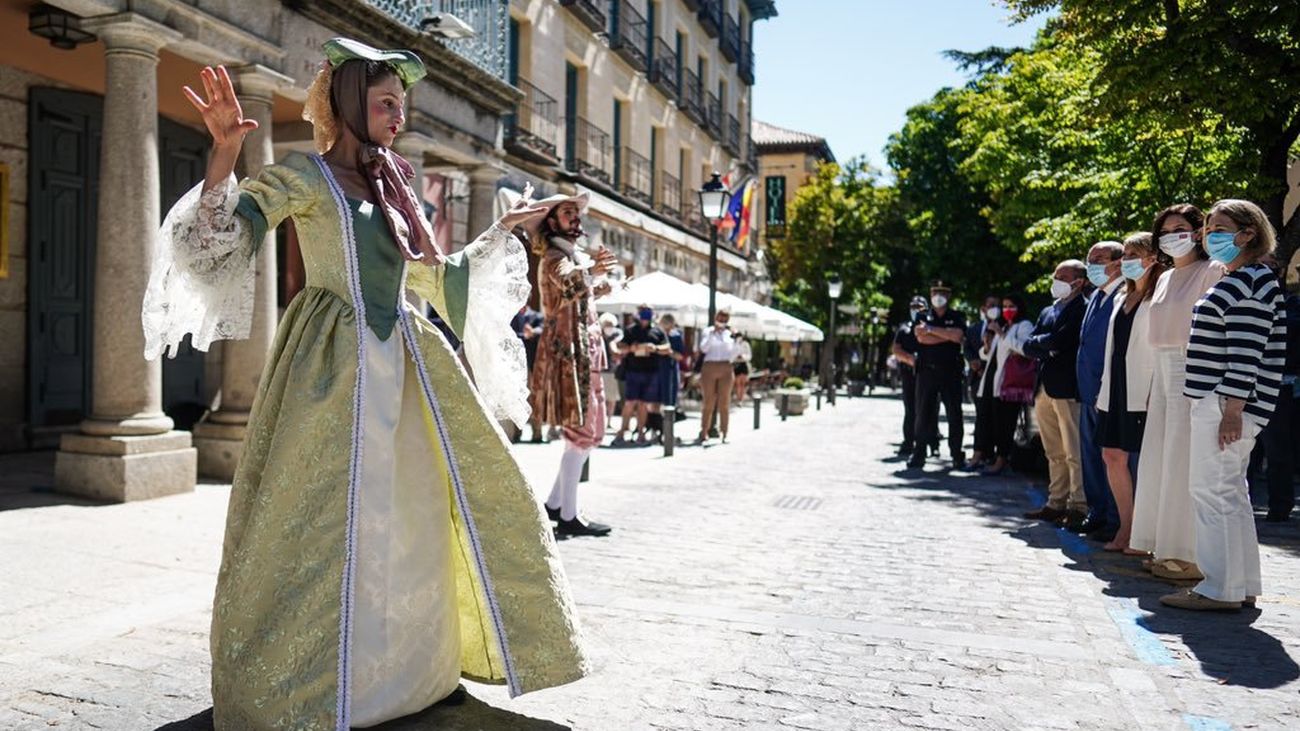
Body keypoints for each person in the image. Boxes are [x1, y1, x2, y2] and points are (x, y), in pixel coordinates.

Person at [146, 45, 586, 729]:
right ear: (351, 103)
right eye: (386, 102)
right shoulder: (304, 175)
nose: (398, 115)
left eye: (401, 104)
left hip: (407, 370)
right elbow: (218, 245)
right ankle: (320, 684)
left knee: (409, 521)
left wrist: (506, 230)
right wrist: (226, 154)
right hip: (328, 371)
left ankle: (405, 678)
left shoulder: (399, 183)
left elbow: (435, 279)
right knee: (320, 524)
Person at [1163, 199, 1286, 612]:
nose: (1208, 235)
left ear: (1247, 233)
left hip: (1223, 403)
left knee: (1211, 491)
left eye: (1218, 227)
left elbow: (1246, 352)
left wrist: (1233, 409)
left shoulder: (1247, 282)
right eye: (1208, 228)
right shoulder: (1250, 278)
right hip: (1225, 401)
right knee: (1231, 492)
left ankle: (1218, 586)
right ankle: (1240, 583)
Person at [1129, 205, 1225, 580]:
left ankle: (1191, 555)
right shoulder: (1165, 277)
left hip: (1195, 368)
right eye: (1166, 230)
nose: (1173, 235)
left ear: (1197, 232)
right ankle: (1165, 545)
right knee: (1160, 460)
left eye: (1181, 228)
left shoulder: (1212, 271)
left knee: (1185, 462)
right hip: (1164, 369)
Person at [528, 192, 619, 537]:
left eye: (576, 213)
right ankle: (567, 513)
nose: (576, 218)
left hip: (582, 354)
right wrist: (591, 272)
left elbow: (572, 292)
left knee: (583, 432)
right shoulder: (555, 256)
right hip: (571, 355)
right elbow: (566, 280)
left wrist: (597, 286)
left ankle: (556, 504)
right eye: (568, 213)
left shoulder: (566, 254)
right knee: (584, 431)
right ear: (551, 221)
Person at [1097, 233, 1163, 553]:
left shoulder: (1161, 294)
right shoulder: (1121, 296)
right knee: (1111, 455)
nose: (1127, 261)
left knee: (1148, 461)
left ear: (1153, 258)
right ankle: (1127, 525)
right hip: (1116, 385)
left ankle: (1146, 534)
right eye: (1124, 254)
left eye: (1134, 254)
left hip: (1146, 386)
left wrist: (1157, 388)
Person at [1022, 261, 1089, 527]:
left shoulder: (1082, 308)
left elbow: (1062, 342)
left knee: (1073, 450)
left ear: (1079, 281)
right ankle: (1055, 501)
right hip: (1044, 388)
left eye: (1063, 276)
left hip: (1066, 388)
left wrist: (1047, 345)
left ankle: (1078, 505)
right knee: (1053, 450)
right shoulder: (1048, 311)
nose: (1056, 280)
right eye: (1055, 275)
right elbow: (1029, 345)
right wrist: (1046, 345)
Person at [1076, 241, 1126, 542]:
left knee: (1112, 459)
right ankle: (1096, 512)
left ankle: (1113, 518)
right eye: (1089, 259)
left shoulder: (1123, 294)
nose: (1092, 264)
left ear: (1118, 263)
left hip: (1107, 391)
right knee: (1090, 457)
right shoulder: (1095, 295)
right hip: (1086, 390)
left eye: (1099, 259)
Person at [1249, 287, 1300, 522]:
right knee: (1254, 449)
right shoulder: (1284, 306)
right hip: (1262, 383)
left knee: (1277, 450)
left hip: (1280, 385)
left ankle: (1279, 506)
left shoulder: (1289, 310)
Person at [909, 283, 969, 470]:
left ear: (948, 296)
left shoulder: (957, 316)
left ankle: (956, 455)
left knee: (954, 414)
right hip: (927, 372)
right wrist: (946, 335)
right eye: (935, 293)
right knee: (923, 414)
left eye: (942, 293)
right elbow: (920, 337)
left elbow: (958, 336)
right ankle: (919, 454)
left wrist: (931, 330)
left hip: (951, 372)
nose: (938, 296)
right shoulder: (922, 316)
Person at [976, 294, 1034, 476]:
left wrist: (1002, 335)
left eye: (1011, 306)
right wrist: (987, 345)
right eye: (1005, 306)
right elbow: (990, 356)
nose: (1007, 309)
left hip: (1010, 385)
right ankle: (992, 457)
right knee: (993, 422)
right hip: (993, 382)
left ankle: (1002, 459)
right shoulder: (1005, 326)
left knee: (1006, 424)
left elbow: (1025, 349)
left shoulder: (1024, 326)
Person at [614, 305, 669, 445]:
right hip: (633, 371)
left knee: (644, 404)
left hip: (651, 372)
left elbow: (667, 348)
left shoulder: (657, 331)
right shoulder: (631, 330)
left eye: (648, 313)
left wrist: (655, 348)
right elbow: (621, 347)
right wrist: (631, 348)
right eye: (643, 313)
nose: (646, 316)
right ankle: (622, 432)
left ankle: (640, 434)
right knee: (630, 403)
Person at [892, 296, 936, 457]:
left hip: (929, 374)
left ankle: (932, 443)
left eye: (919, 306)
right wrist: (910, 359)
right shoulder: (904, 328)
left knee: (929, 409)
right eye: (913, 306)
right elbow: (896, 349)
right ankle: (908, 442)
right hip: (909, 375)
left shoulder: (931, 326)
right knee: (910, 409)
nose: (916, 309)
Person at [966, 295, 1000, 469]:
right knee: (981, 416)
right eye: (990, 305)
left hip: (997, 378)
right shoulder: (973, 329)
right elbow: (968, 349)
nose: (994, 308)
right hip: (978, 378)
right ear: (983, 308)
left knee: (993, 417)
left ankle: (991, 454)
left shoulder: (1004, 327)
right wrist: (973, 362)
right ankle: (979, 453)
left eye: (996, 305)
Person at [697, 309, 738, 443]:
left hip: (726, 367)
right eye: (720, 319)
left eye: (725, 320)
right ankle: (704, 431)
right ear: (716, 318)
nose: (722, 322)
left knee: (724, 401)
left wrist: (736, 340)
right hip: (710, 366)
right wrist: (712, 333)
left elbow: (733, 354)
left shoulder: (729, 334)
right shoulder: (707, 331)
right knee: (708, 401)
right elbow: (704, 348)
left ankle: (724, 432)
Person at [512, 304, 545, 442]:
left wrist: (533, 332)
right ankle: (517, 432)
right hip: (515, 364)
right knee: (516, 398)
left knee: (535, 398)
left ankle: (537, 432)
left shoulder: (536, 316)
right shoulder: (511, 315)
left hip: (532, 363)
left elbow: (542, 328)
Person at [599, 311, 623, 420]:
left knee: (612, 397)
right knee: (601, 398)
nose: (609, 328)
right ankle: (602, 420)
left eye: (611, 325)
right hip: (600, 371)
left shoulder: (617, 335)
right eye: (607, 325)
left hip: (613, 370)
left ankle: (609, 420)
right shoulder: (598, 335)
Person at [733, 331, 754, 401]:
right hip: (736, 364)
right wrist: (736, 357)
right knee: (737, 383)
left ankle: (740, 398)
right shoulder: (734, 344)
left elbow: (749, 355)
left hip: (743, 364)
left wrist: (743, 357)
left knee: (743, 383)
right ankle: (738, 397)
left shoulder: (746, 344)